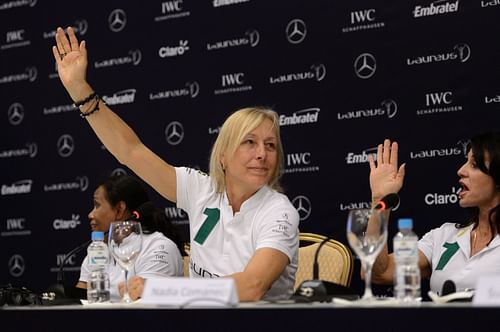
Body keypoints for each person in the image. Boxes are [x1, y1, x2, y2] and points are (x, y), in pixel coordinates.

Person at [53, 27, 299, 302]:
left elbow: (252, 286)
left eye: (270, 145)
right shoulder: (201, 190)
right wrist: (79, 90)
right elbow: (130, 151)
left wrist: (164, 289)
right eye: (250, 142)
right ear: (223, 156)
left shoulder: (279, 211)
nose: (262, 154)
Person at [368, 133, 500, 295]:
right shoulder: (444, 235)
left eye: (474, 165)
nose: (460, 171)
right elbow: (378, 272)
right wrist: (380, 200)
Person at [77, 175, 184, 302]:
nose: (91, 214)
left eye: (97, 205)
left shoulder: (158, 248)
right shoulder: (98, 249)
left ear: (119, 210)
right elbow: (79, 299)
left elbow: (147, 309)